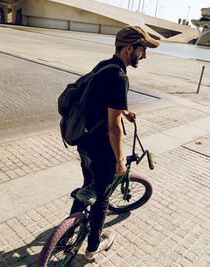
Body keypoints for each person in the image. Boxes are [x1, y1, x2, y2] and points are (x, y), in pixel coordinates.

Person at [69, 25, 159, 260]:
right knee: (102, 197)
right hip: (102, 149)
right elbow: (113, 127)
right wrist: (119, 161)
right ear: (129, 48)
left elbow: (98, 98)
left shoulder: (104, 65)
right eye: (143, 50)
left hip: (84, 142)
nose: (145, 56)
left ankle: (67, 235)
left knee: (86, 185)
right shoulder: (119, 77)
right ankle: (92, 248)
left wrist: (123, 110)